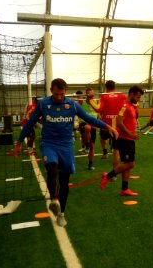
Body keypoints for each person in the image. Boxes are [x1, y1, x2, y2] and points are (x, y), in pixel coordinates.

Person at [13, 78, 118, 227]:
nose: (59, 97)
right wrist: (18, 142)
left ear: (65, 92)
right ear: (51, 91)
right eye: (56, 94)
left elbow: (88, 118)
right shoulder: (43, 105)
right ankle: (54, 199)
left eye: (62, 94)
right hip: (49, 144)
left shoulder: (72, 105)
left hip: (67, 146)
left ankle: (61, 213)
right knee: (52, 166)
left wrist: (108, 127)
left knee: (64, 182)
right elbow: (30, 123)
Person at [100, 85, 144, 196]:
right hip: (125, 139)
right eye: (138, 97)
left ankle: (124, 189)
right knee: (131, 164)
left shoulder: (130, 105)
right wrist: (131, 134)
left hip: (128, 139)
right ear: (132, 94)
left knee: (127, 163)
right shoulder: (125, 106)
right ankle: (108, 176)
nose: (138, 99)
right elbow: (119, 122)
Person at [97, 80, 127, 166]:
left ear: (106, 87)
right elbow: (127, 106)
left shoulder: (104, 96)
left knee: (102, 138)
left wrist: (90, 101)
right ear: (114, 87)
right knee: (116, 151)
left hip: (105, 125)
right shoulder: (122, 96)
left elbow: (98, 109)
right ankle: (114, 174)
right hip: (116, 127)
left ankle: (105, 151)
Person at [78, 87, 99, 170]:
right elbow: (76, 99)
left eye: (92, 93)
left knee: (92, 147)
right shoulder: (82, 101)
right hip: (84, 122)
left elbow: (99, 111)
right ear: (86, 94)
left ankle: (90, 163)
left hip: (93, 123)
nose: (91, 95)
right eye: (89, 93)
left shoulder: (96, 101)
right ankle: (86, 146)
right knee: (87, 128)